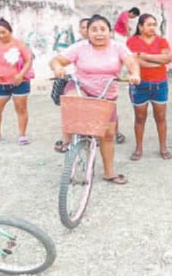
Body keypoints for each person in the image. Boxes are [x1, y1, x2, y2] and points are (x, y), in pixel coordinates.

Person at [49, 15, 140, 184]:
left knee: (107, 135)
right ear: (88, 32)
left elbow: (131, 63)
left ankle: (109, 172)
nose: (99, 33)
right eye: (94, 29)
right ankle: (67, 142)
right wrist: (58, 68)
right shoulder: (80, 47)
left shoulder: (118, 47)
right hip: (81, 87)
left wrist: (134, 74)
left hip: (106, 93)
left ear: (109, 31)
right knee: (72, 102)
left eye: (102, 29)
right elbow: (56, 60)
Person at [0, 18, 33, 146]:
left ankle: (22, 135)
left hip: (20, 83)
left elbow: (28, 60)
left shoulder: (19, 44)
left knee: (21, 109)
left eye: (4, 32)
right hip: (0, 84)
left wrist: (21, 75)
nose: (1, 35)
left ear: (10, 31)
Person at [125, 13, 172, 161]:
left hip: (160, 84)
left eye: (154, 24)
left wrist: (145, 55)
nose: (152, 28)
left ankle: (163, 147)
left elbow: (168, 58)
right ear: (140, 27)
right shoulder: (132, 42)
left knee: (161, 117)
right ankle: (139, 148)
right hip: (140, 84)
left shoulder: (162, 41)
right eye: (148, 24)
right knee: (139, 117)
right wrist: (158, 62)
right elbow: (134, 62)